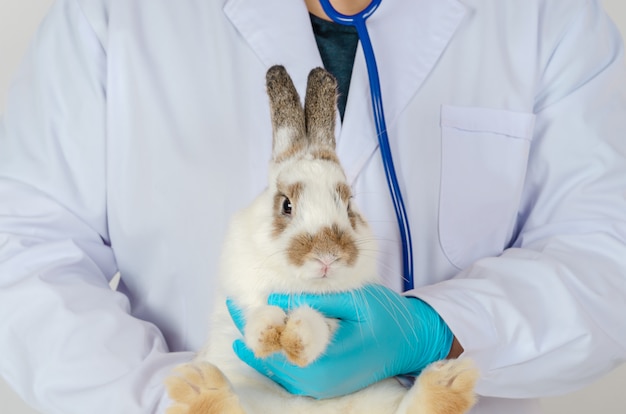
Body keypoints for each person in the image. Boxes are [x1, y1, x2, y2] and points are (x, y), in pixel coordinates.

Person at [1, 0, 625, 413]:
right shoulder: (113, 15)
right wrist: (172, 401)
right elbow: (23, 249)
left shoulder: (550, 15)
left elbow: (608, 253)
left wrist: (441, 328)